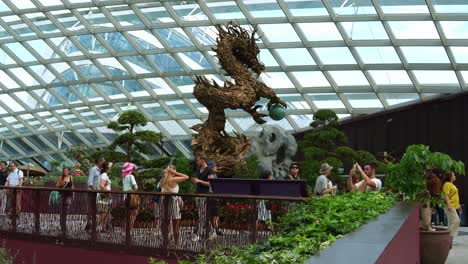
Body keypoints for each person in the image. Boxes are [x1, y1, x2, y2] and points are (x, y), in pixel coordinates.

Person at [159, 165, 189, 248]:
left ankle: (165, 242)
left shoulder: (163, 180)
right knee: (175, 225)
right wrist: (175, 173)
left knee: (165, 224)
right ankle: (177, 244)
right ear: (173, 171)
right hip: (173, 203)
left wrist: (167, 171)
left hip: (164, 202)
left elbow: (161, 175)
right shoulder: (173, 179)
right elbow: (186, 177)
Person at [191, 155, 215, 242]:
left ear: (203, 160)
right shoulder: (198, 170)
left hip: (205, 195)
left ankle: (198, 233)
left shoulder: (209, 170)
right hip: (198, 194)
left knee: (202, 215)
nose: (197, 162)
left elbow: (210, 183)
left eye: (198, 160)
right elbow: (196, 181)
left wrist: (199, 181)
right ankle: (212, 231)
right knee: (202, 215)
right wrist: (194, 181)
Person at [85, 157, 106, 231]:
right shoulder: (93, 169)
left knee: (96, 208)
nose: (104, 163)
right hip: (92, 192)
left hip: (97, 192)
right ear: (99, 162)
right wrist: (95, 190)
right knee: (91, 207)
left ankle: (93, 224)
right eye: (103, 162)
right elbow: (90, 182)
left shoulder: (101, 170)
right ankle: (88, 223)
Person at [206, 160, 223, 239]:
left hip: (213, 196)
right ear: (211, 167)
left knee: (215, 215)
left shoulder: (213, 174)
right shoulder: (212, 175)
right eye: (215, 166)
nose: (216, 167)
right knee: (215, 215)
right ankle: (215, 230)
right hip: (213, 196)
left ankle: (215, 230)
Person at [443, 172, 461, 242]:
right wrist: (448, 204)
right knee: (456, 221)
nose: (454, 176)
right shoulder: (447, 184)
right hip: (450, 205)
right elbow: (446, 195)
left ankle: (449, 239)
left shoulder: (451, 184)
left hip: (453, 205)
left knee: (451, 222)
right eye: (453, 175)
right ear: (450, 177)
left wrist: (458, 205)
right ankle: (447, 237)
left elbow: (454, 196)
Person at [122, 162, 139, 229]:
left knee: (127, 213)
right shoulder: (131, 176)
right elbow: (136, 187)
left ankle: (126, 227)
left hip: (125, 197)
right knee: (134, 213)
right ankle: (130, 227)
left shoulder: (124, 177)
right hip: (131, 197)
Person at [97, 162, 112, 232]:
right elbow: (102, 185)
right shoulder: (104, 175)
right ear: (107, 168)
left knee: (103, 213)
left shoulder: (102, 175)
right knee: (103, 213)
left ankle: (102, 228)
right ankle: (95, 227)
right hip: (103, 197)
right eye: (109, 167)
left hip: (102, 197)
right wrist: (108, 193)